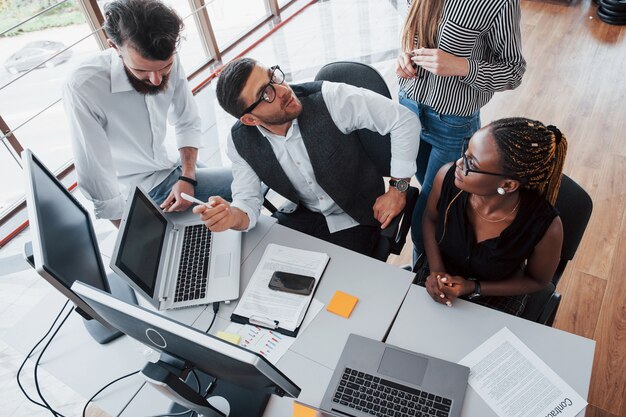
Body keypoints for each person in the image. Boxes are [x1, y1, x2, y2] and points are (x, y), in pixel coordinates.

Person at [193, 57, 420, 256]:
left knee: (336, 295)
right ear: (250, 120)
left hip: (359, 215)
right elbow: (247, 202)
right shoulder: (239, 141)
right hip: (303, 215)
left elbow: (403, 120)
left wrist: (398, 188)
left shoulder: (330, 98)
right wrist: (232, 217)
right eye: (266, 94)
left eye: (274, 77)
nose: (283, 90)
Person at [63, 0, 232, 227]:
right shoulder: (84, 85)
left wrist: (187, 176)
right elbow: (95, 172)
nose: (156, 80)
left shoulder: (165, 55)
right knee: (251, 180)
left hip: (171, 167)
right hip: (142, 190)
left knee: (231, 198)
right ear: (114, 46)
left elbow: (187, 119)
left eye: (165, 68)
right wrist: (132, 234)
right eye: (142, 70)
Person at [395, 0, 527, 262]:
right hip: (407, 109)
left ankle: (419, 278)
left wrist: (462, 66)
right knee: (432, 194)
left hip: (452, 124)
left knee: (424, 221)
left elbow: (514, 72)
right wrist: (403, 59)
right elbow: (413, 37)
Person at [418, 118, 567, 316]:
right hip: (440, 272)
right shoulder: (446, 177)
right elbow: (430, 219)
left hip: (497, 292)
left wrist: (474, 287)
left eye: (471, 163)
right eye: (466, 152)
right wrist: (436, 271)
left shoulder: (547, 227)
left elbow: (537, 280)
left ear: (508, 185)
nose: (459, 163)